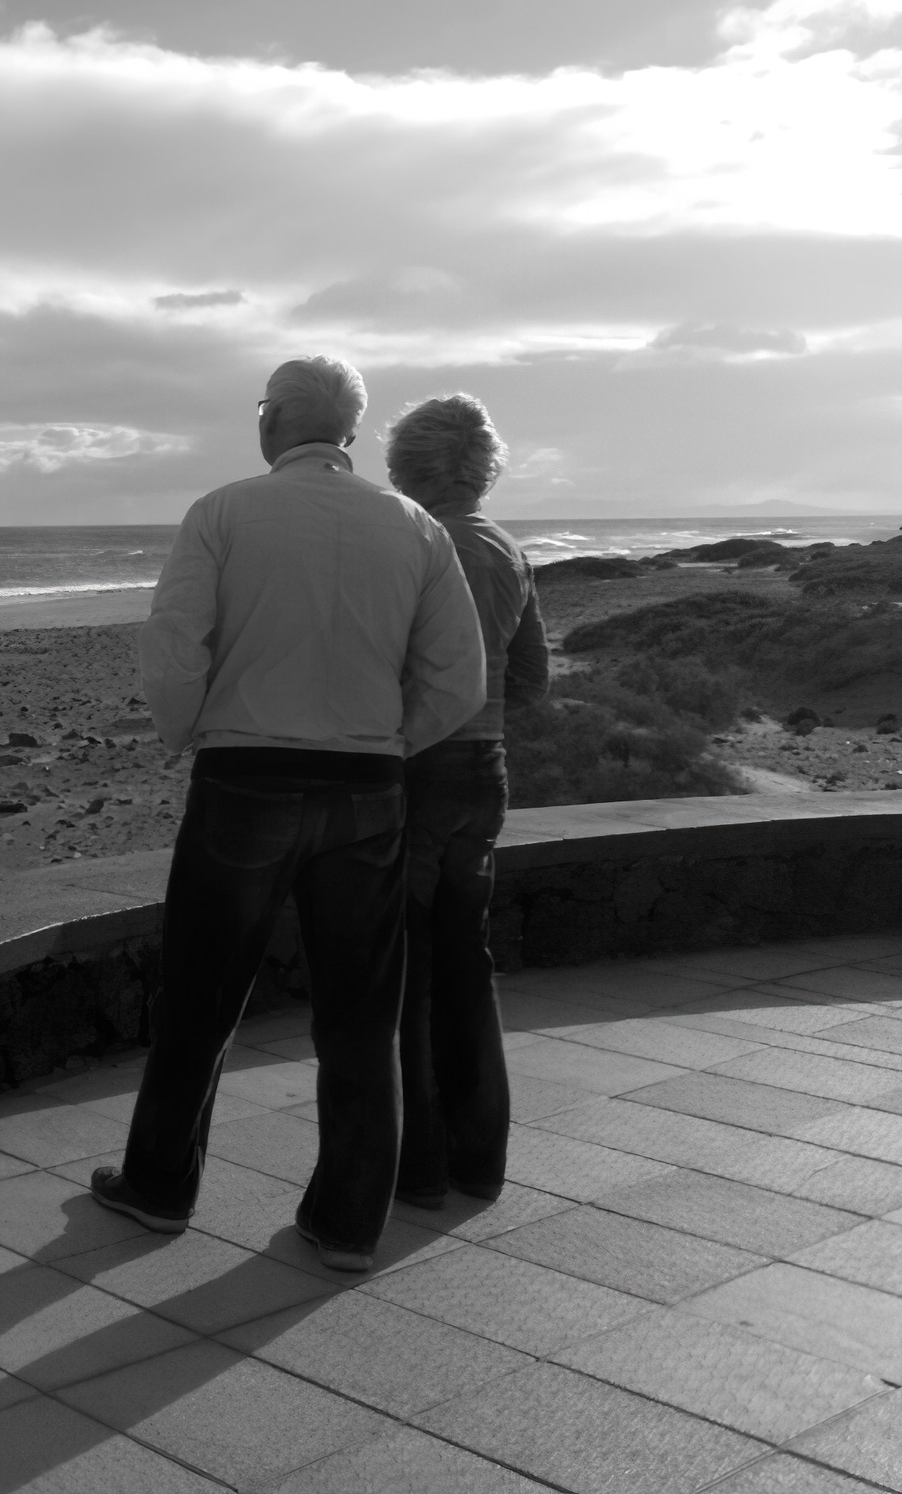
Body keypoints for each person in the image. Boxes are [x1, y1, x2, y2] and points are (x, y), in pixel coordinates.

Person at [91, 356, 486, 1271]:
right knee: (359, 1014)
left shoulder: (223, 512)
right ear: (350, 433)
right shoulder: (416, 528)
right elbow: (457, 680)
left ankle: (159, 1186)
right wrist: (389, 740)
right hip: (367, 789)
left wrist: (182, 731)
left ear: (271, 423)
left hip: (244, 779)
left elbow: (175, 644)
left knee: (200, 995)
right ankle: (349, 1221)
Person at [383, 394, 547, 1208]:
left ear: (405, 465)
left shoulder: (414, 543)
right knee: (467, 962)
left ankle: (416, 1168)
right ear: (482, 468)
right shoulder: (507, 550)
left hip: (417, 771)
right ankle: (479, 1160)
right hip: (485, 770)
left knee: (407, 970)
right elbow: (531, 679)